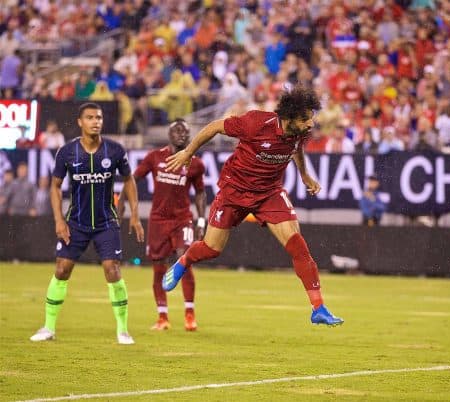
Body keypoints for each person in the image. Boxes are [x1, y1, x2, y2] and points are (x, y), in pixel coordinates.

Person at [162, 86, 343, 326]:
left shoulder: (299, 131)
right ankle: (184, 261)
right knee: (211, 249)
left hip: (269, 192)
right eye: (305, 119)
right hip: (234, 189)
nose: (310, 124)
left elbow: (296, 149)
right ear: (288, 117)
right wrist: (188, 152)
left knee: (298, 245)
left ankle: (318, 308)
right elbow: (215, 126)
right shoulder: (255, 123)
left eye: (311, 118)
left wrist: (304, 176)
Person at [30, 103, 144, 345]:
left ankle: (123, 330)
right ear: (80, 122)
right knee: (61, 270)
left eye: (99, 117)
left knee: (112, 270)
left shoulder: (114, 150)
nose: (96, 121)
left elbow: (129, 180)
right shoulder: (67, 152)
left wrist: (134, 214)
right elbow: (55, 187)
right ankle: (48, 327)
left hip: (106, 222)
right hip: (76, 222)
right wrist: (59, 219)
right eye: (90, 117)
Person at [118, 119, 206, 331]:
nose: (181, 134)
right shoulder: (155, 157)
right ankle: (163, 317)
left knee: (184, 261)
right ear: (169, 135)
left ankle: (189, 314)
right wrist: (121, 203)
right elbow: (132, 179)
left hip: (182, 219)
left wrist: (202, 220)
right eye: (177, 131)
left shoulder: (195, 163)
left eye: (185, 131)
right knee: (158, 268)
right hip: (158, 221)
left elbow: (201, 192)